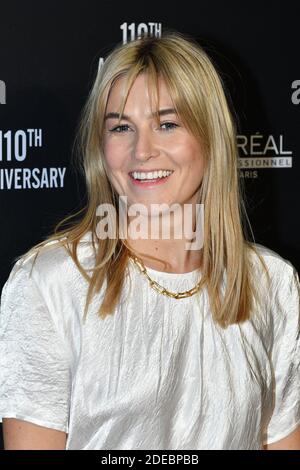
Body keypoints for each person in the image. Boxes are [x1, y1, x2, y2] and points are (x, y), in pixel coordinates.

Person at [0, 30, 299, 451]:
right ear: (100, 149)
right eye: (121, 127)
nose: (143, 150)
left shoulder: (273, 284)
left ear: (210, 138)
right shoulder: (49, 285)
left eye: (167, 124)